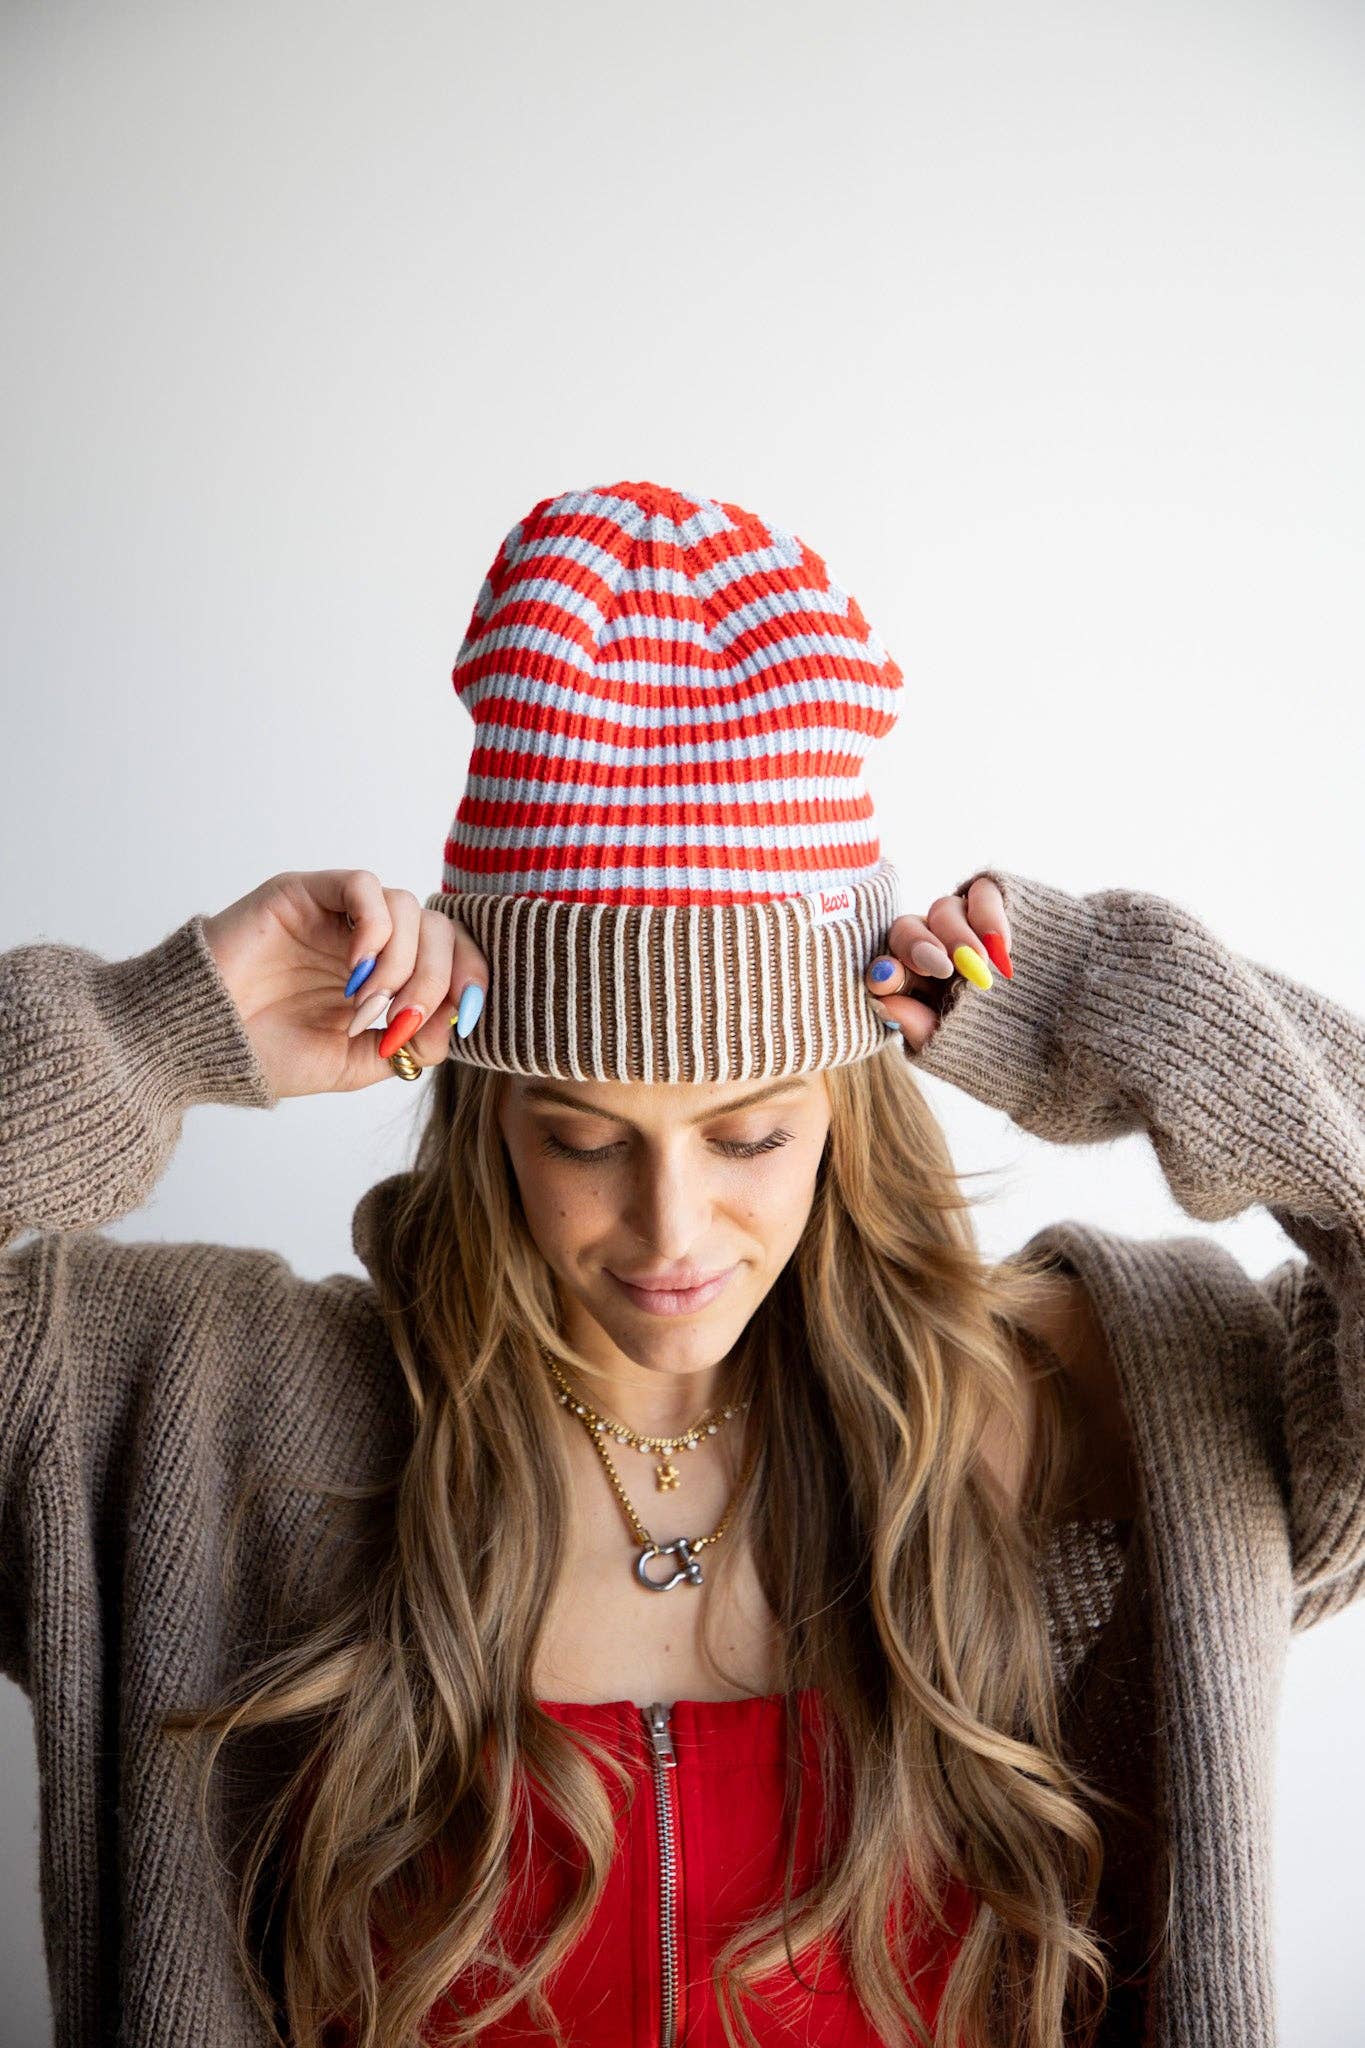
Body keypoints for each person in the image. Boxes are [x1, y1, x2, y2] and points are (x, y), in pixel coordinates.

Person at [1, 480, 1360, 2048]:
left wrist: (1112, 1012)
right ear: (482, 1107)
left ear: (850, 1109)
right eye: (581, 1138)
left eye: (747, 1137)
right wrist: (152, 1031)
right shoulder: (197, 1417)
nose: (666, 1231)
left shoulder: (1084, 1418)